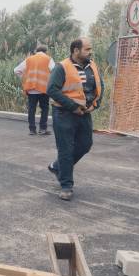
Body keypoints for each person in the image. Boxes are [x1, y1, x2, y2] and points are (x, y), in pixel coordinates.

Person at [46, 37, 104, 201]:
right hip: (64, 113)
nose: (90, 52)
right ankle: (66, 186)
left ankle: (57, 167)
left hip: (85, 113)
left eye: (90, 49)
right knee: (66, 149)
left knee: (85, 144)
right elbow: (52, 90)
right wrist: (73, 107)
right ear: (76, 50)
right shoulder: (62, 67)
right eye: (87, 49)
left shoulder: (92, 66)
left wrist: (96, 104)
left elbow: (100, 86)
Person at [14, 45, 55, 135]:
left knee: (31, 109)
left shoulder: (29, 59)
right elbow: (55, 72)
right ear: (46, 51)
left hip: (31, 88)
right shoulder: (48, 59)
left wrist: (25, 77)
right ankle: (42, 129)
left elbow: (16, 70)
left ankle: (32, 130)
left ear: (36, 51)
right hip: (43, 88)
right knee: (44, 108)